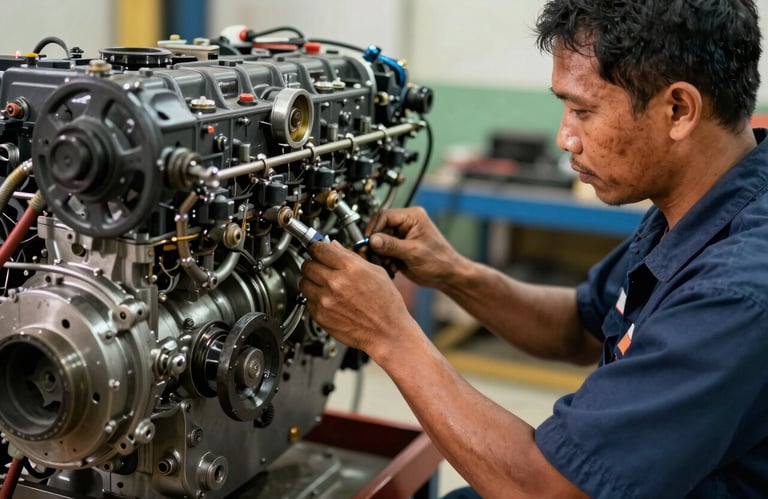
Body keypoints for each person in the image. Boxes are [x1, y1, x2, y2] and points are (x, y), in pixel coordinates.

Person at [299, 0, 767, 496]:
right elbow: (574, 327)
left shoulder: (736, 289)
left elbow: (548, 489)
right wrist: (453, 272)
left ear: (678, 110)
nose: (565, 137)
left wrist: (389, 334)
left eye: (583, 110)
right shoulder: (699, 204)